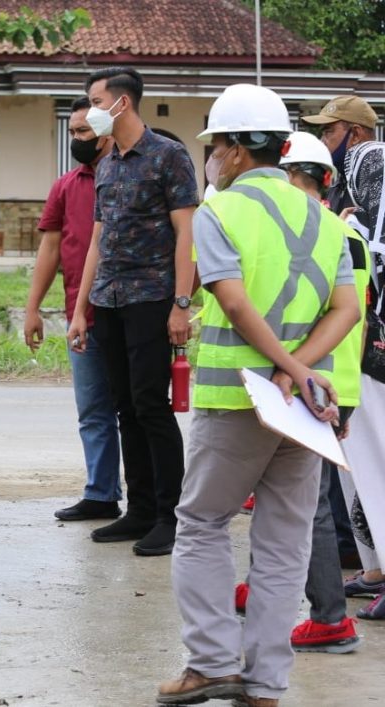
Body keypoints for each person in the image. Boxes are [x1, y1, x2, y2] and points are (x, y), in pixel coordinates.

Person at [157, 84, 360, 707]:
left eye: (215, 144)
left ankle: (213, 661)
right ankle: (267, 683)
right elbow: (348, 309)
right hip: (303, 409)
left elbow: (234, 300)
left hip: (238, 400)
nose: (211, 156)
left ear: (241, 149)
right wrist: (300, 370)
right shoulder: (325, 222)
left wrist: (282, 368)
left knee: (199, 524)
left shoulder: (220, 210)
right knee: (283, 544)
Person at [234, 130, 368, 654]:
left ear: (289, 177)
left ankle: (331, 617)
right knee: (279, 492)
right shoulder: (336, 232)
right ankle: (266, 585)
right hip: (329, 378)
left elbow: (334, 315)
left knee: (304, 503)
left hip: (317, 380)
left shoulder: (321, 234)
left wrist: (292, 372)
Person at [67, 66, 198, 556]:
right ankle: (139, 510)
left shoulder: (169, 156)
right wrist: (81, 309)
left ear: (121, 103)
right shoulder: (107, 164)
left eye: (96, 100)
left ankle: (171, 514)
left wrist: (182, 304)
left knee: (151, 406)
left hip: (152, 298)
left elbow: (187, 232)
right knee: (124, 407)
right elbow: (98, 240)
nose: (90, 109)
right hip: (110, 299)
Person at [24, 96, 121, 522]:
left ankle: (153, 499)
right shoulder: (66, 186)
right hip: (80, 316)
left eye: (84, 132)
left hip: (132, 313)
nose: (77, 140)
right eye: (73, 133)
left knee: (138, 411)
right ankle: (101, 494)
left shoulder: (131, 178)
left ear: (105, 133)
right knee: (93, 411)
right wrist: (33, 309)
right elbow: (50, 250)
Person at [301, 95, 379, 567]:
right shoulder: (342, 196)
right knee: (345, 474)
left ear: (355, 133)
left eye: (330, 132)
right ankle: (360, 555)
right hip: (344, 360)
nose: (325, 141)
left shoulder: (370, 185)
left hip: (357, 356)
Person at [339, 140, 385, 621]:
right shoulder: (359, 230)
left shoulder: (358, 234)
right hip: (364, 363)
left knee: (376, 467)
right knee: (361, 471)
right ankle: (374, 569)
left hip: (374, 363)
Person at [301, 95, 379, 214]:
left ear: (356, 134)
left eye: (328, 131)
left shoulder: (378, 188)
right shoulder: (337, 188)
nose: (322, 141)